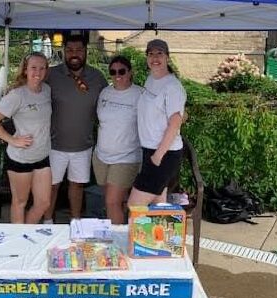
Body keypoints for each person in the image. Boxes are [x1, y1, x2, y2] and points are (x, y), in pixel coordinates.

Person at [44, 34, 108, 224]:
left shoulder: (97, 77)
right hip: (54, 145)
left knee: (77, 186)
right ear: (64, 51)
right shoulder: (51, 75)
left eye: (79, 50)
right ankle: (48, 222)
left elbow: (111, 101)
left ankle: (76, 223)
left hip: (83, 145)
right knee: (51, 186)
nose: (74, 54)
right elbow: (32, 90)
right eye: (70, 50)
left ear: (86, 51)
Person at [0, 52, 52, 224]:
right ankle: (19, 243)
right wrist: (12, 140)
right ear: (25, 70)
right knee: (20, 202)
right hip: (20, 158)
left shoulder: (47, 90)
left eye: (42, 68)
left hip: (42, 156)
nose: (38, 72)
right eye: (34, 68)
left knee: (43, 203)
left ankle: (26, 235)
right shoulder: (17, 95)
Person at [128, 39, 186, 207]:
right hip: (149, 151)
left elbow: (175, 123)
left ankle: (138, 234)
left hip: (163, 154)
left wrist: (158, 156)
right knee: (157, 206)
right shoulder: (151, 79)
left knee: (134, 206)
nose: (155, 57)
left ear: (167, 57)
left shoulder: (172, 86)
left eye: (159, 53)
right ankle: (160, 234)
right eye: (151, 54)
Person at [93, 55, 142, 224]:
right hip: (101, 156)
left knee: (111, 202)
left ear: (130, 72)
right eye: (113, 72)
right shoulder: (105, 92)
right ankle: (123, 232)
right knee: (115, 201)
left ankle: (116, 242)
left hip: (126, 157)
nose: (117, 75)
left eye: (122, 71)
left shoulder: (140, 94)